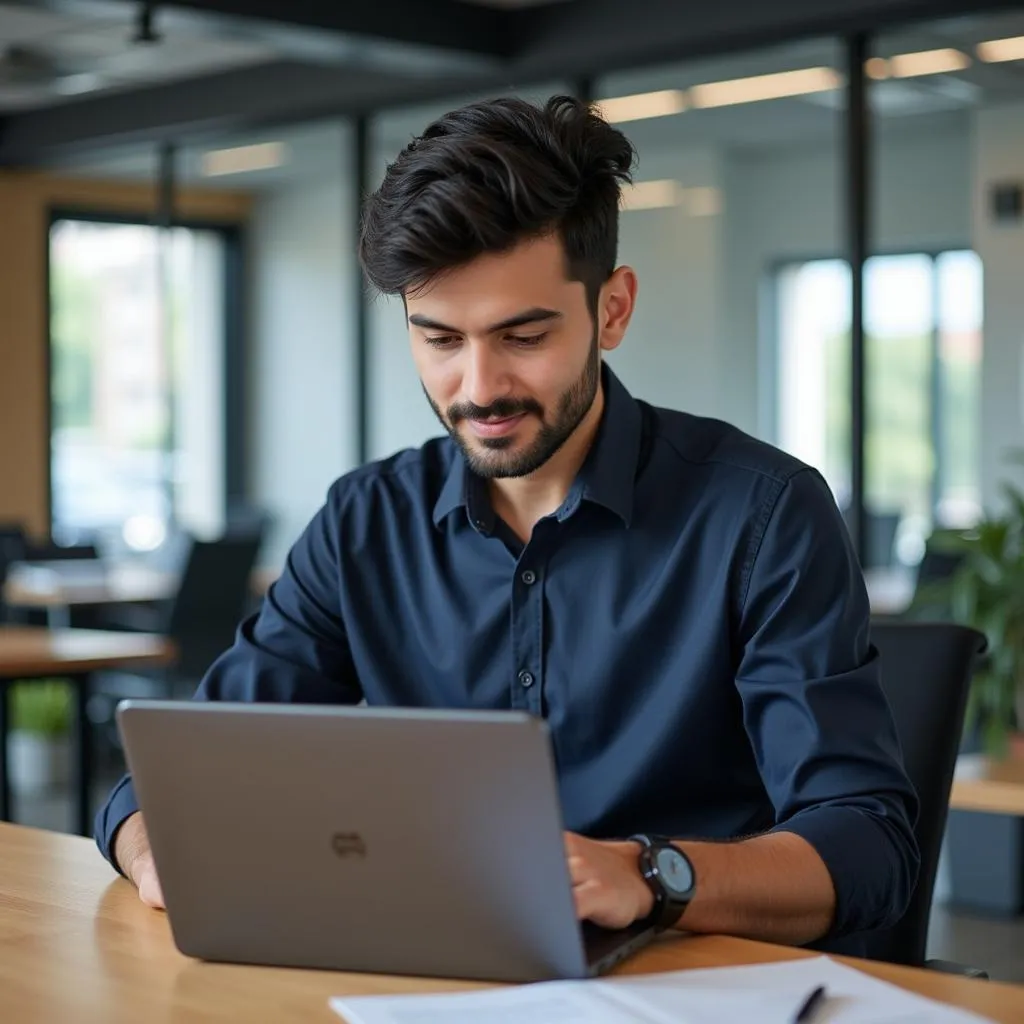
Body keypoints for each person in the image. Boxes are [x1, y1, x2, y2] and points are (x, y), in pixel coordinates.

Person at [97, 95, 918, 952]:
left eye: (523, 336)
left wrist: (647, 875)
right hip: (428, 973)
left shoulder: (762, 514)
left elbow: (868, 843)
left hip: (686, 983)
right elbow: (178, 773)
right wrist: (157, 845)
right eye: (441, 339)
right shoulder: (364, 524)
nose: (479, 386)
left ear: (612, 310)